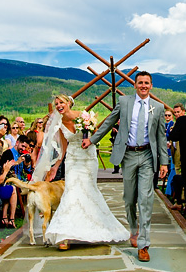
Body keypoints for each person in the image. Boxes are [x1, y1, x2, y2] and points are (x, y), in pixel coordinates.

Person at [83, 71, 168, 262]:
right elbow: (108, 122)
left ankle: (144, 244)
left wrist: (164, 162)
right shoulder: (124, 102)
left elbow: (161, 137)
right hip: (128, 155)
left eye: (147, 83)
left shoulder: (158, 107)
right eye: (140, 82)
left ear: (151, 86)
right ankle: (133, 230)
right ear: (135, 85)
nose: (143, 86)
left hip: (147, 155)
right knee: (129, 199)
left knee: (145, 199)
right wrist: (92, 140)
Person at [41, 94, 128, 250]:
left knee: (88, 191)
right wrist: (56, 166)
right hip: (73, 160)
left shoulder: (83, 116)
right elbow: (64, 146)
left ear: (69, 103)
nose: (59, 105)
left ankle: (93, 230)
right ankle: (65, 235)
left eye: (61, 102)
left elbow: (96, 134)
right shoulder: (59, 123)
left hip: (88, 158)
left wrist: (89, 130)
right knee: (72, 192)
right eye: (56, 104)